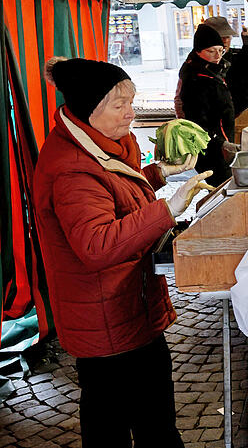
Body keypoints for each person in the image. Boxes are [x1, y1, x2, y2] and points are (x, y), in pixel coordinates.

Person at [34, 57, 212, 447]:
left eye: (132, 101)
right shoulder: (73, 168)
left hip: (123, 310)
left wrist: (160, 173)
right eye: (120, 105)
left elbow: (114, 197)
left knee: (141, 420)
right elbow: (96, 245)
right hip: (106, 321)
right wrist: (167, 209)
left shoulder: (98, 147)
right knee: (130, 425)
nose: (131, 113)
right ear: (89, 108)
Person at [179, 24, 237, 186]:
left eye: (220, 50)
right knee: (221, 186)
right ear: (198, 51)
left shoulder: (214, 71)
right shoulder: (195, 79)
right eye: (211, 51)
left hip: (221, 143)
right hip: (210, 149)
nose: (217, 55)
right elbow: (196, 121)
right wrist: (221, 142)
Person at [204, 16, 248, 116]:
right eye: (220, 37)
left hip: (242, 115)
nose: (224, 40)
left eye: (227, 36)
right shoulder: (197, 64)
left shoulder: (239, 57)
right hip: (213, 119)